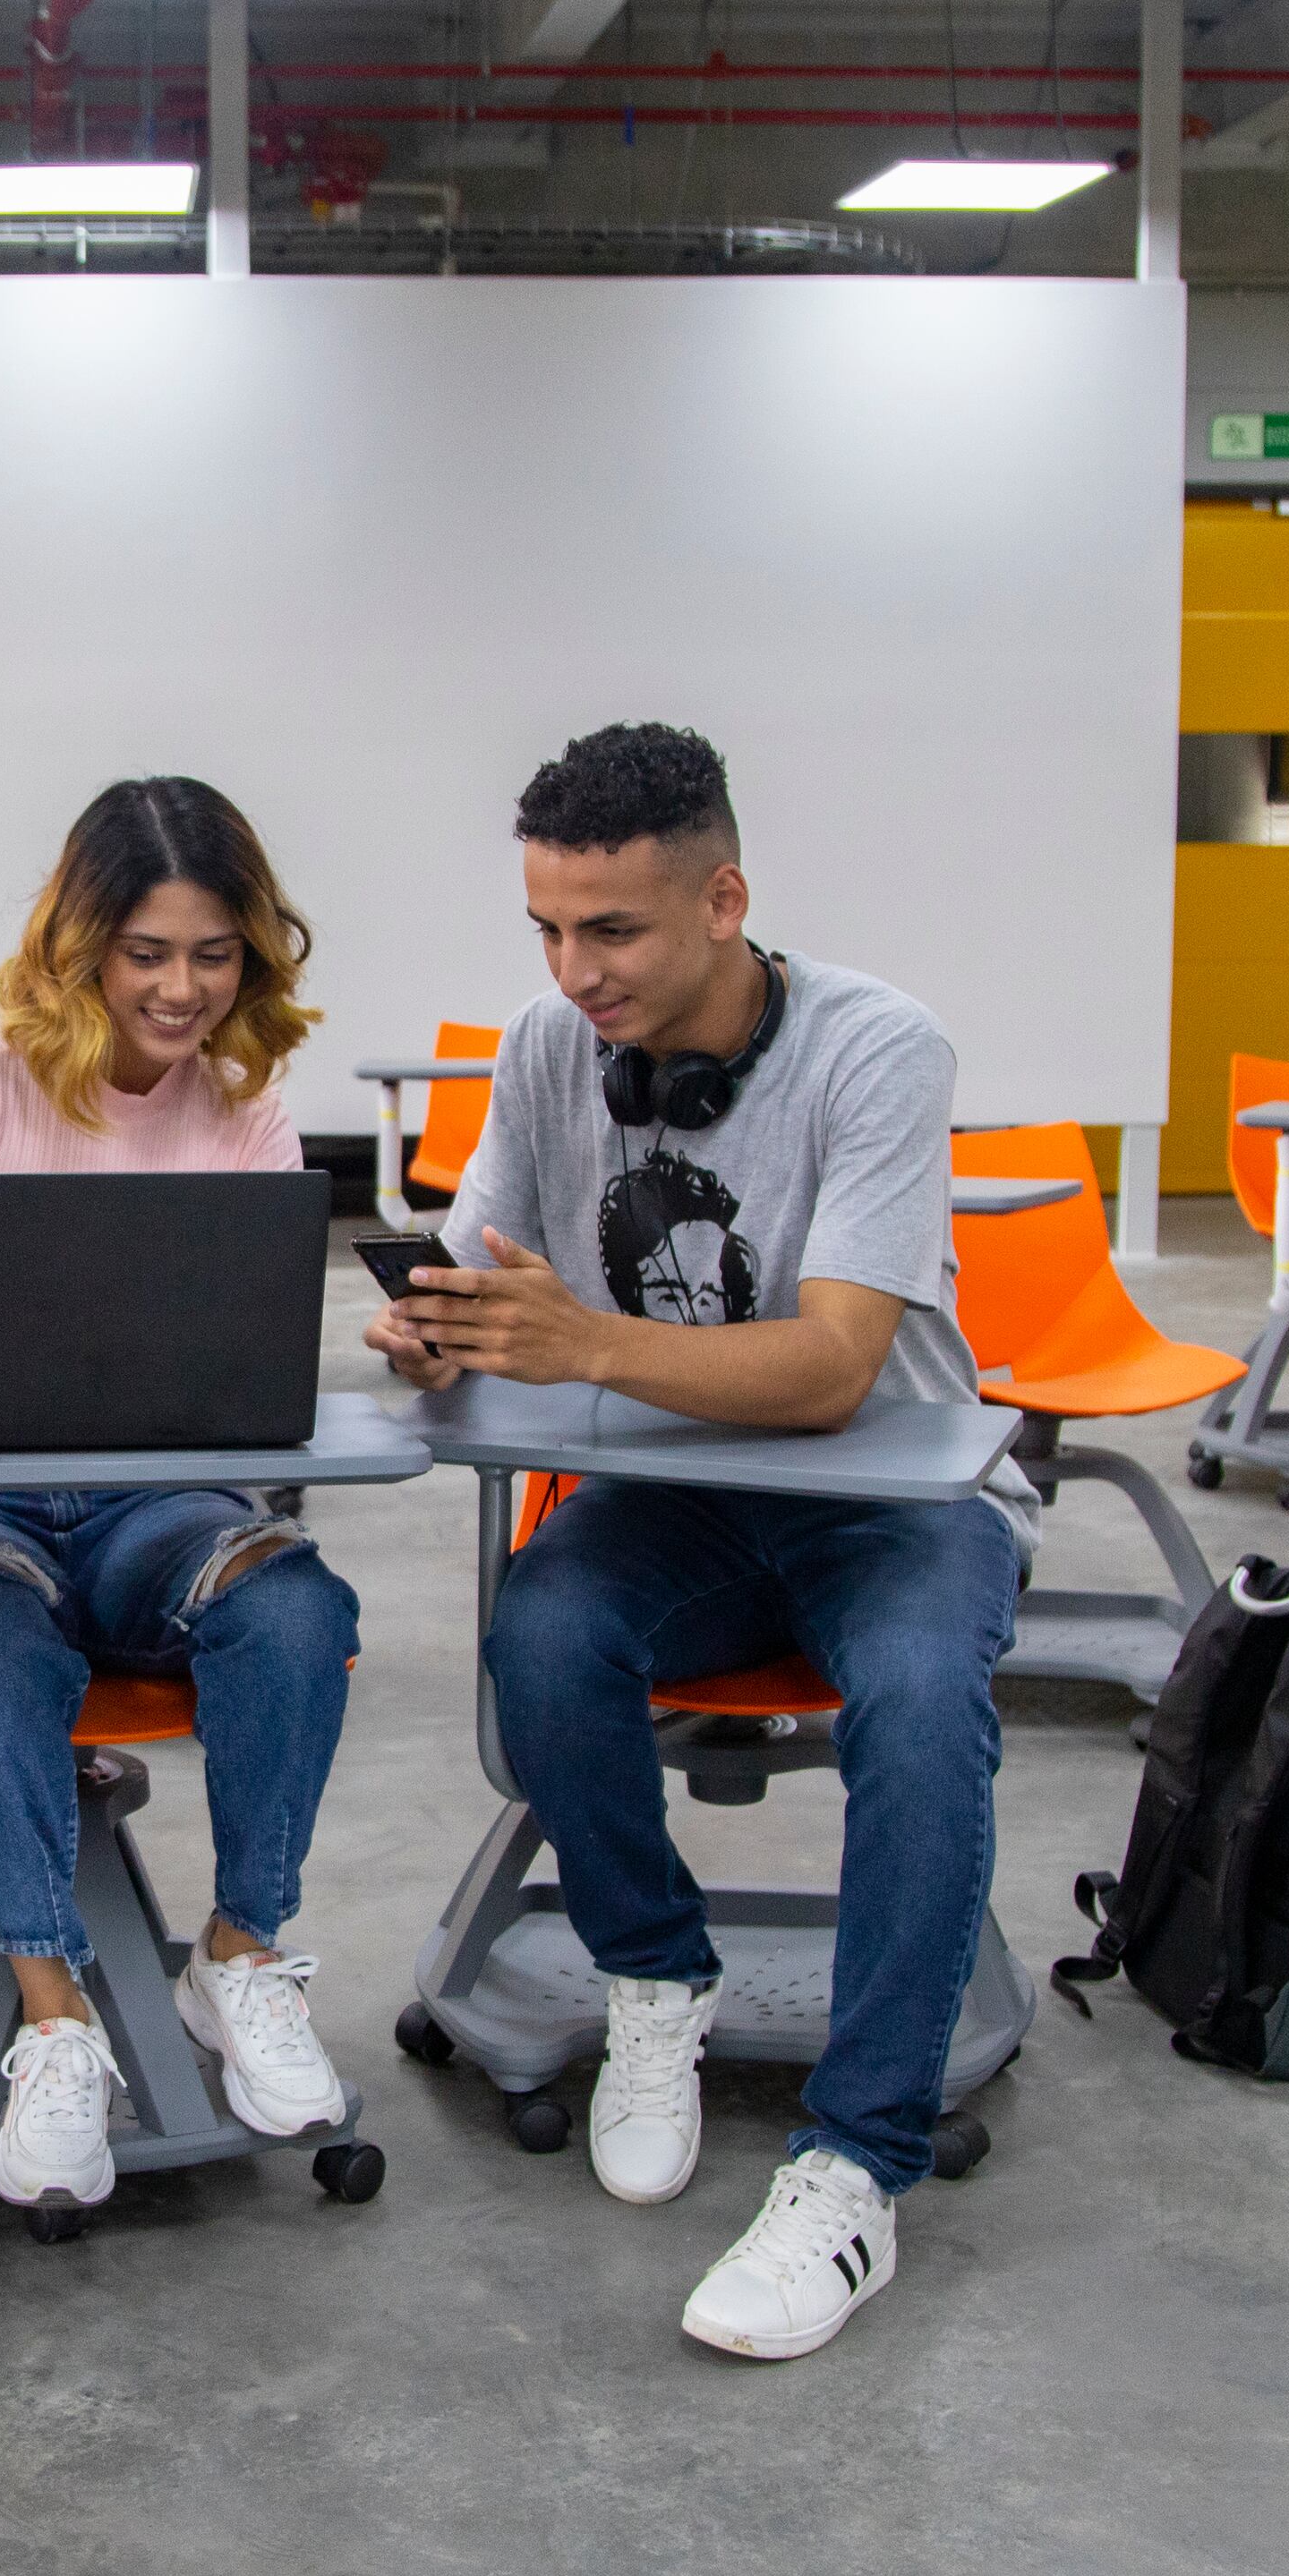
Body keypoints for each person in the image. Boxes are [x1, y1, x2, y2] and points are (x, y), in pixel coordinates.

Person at [364, 722, 1030, 2364]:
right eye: (546, 927)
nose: (571, 969)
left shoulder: (882, 1050)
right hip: (677, 1500)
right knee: (545, 1631)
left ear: (724, 899)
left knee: (924, 1705)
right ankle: (653, 1979)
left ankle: (856, 2161)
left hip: (896, 1501)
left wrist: (575, 1343)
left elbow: (831, 1367)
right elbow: (487, 1259)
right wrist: (438, 1326)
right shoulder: (545, 1041)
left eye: (613, 931)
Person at [0, 777, 366, 2219]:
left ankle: (240, 1954)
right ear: (83, 944)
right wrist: (47, 1339)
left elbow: (262, 1352)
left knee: (291, 1599)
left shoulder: (249, 1105)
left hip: (161, 1502)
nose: (184, 987)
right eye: (150, 952)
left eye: (214, 954)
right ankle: (54, 2019)